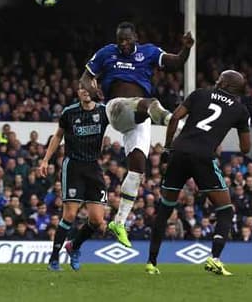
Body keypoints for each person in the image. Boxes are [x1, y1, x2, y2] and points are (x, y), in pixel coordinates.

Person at [80, 21, 194, 247]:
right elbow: (85, 78)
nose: (123, 44)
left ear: (135, 38)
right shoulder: (106, 53)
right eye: (119, 40)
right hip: (117, 107)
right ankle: (177, 125)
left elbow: (176, 62)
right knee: (151, 104)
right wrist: (92, 90)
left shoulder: (148, 52)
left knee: (138, 170)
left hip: (139, 118)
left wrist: (186, 48)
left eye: (127, 40)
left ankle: (119, 222)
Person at [146, 70, 250, 276]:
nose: (217, 79)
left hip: (179, 152)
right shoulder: (240, 110)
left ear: (225, 84)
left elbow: (175, 117)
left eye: (220, 78)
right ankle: (215, 258)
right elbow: (246, 148)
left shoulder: (200, 94)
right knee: (226, 210)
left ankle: (151, 262)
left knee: (165, 208)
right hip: (203, 156)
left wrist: (168, 148)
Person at [40, 86, 109, 271]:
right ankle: (54, 259)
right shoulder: (69, 113)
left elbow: (122, 119)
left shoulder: (104, 111)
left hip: (93, 167)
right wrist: (46, 159)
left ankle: (74, 246)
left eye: (89, 88)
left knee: (96, 220)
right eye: (82, 88)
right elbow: (58, 136)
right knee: (70, 214)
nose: (85, 91)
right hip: (74, 167)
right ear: (78, 92)